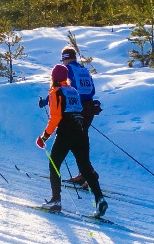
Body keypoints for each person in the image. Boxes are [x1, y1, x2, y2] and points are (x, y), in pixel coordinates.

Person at [36, 68, 108, 217]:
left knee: (54, 164)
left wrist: (44, 137)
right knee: (85, 167)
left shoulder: (56, 92)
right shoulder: (73, 90)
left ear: (53, 77)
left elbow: (55, 118)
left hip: (66, 132)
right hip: (81, 131)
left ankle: (56, 201)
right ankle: (99, 199)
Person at [52, 45, 101, 187]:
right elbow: (92, 90)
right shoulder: (83, 70)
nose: (62, 63)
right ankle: (84, 173)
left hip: (76, 111)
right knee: (81, 141)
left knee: (75, 143)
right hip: (89, 109)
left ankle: (88, 174)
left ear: (65, 58)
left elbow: (66, 90)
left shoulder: (68, 70)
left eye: (63, 59)